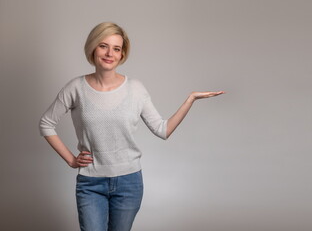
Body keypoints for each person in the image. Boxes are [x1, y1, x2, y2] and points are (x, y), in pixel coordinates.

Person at [39, 22, 225, 231]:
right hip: (90, 184)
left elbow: (162, 130)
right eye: (103, 46)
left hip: (129, 183)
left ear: (122, 54)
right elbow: (46, 124)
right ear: (93, 48)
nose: (110, 53)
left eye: (116, 48)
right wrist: (72, 160)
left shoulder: (135, 89)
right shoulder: (76, 88)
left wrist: (190, 99)